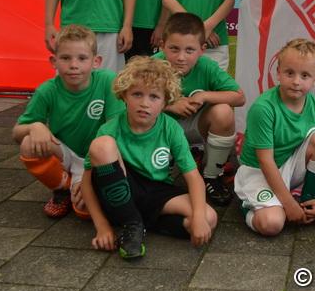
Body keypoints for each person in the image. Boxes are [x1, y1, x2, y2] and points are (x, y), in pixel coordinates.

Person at [81, 57, 217, 260]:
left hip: (156, 191)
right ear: (124, 95)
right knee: (102, 145)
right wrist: (102, 226)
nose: (144, 103)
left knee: (209, 217)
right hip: (122, 188)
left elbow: (193, 177)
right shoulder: (110, 129)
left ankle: (137, 221)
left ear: (165, 102)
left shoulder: (170, 128)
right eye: (137, 94)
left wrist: (198, 217)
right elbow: (86, 182)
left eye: (154, 96)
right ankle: (132, 223)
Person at [12, 25, 124, 218]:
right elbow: (16, 133)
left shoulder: (108, 81)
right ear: (53, 61)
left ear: (96, 61)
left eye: (82, 58)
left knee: (85, 212)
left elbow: (116, 130)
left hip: (97, 156)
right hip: (65, 153)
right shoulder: (47, 90)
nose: (73, 65)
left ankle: (81, 185)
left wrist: (89, 178)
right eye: (65, 58)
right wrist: (35, 126)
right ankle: (62, 189)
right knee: (28, 144)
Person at [235, 38, 315, 236]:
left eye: (305, 75)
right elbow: (265, 161)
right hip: (258, 171)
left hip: (289, 168)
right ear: (278, 73)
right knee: (271, 224)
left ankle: (309, 201)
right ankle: (247, 205)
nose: (296, 81)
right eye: (289, 73)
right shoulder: (263, 108)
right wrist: (289, 204)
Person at [154, 12, 245, 206]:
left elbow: (239, 97)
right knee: (144, 116)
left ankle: (212, 176)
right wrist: (169, 104)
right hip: (162, 129)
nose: (181, 57)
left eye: (189, 50)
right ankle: (160, 172)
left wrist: (204, 95)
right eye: (174, 49)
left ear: (202, 50)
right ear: (162, 45)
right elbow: (127, 99)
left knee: (223, 112)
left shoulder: (206, 66)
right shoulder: (152, 66)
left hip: (195, 127)